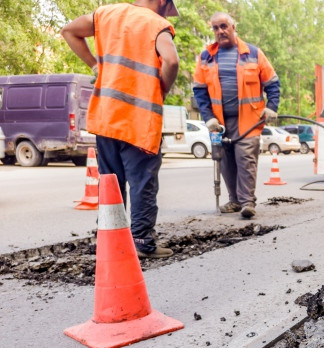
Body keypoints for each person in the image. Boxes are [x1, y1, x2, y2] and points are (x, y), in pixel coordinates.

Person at [61, 0, 180, 258]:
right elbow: (171, 60)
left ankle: (110, 242)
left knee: (110, 183)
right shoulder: (157, 24)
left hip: (107, 116)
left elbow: (69, 31)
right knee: (142, 183)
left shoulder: (106, 14)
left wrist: (95, 65)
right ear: (161, 1)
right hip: (140, 119)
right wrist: (163, 89)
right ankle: (141, 242)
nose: (165, 12)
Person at [193, 12, 280, 219]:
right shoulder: (206, 57)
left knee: (245, 160)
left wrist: (272, 107)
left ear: (233, 27)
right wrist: (208, 118)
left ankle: (247, 202)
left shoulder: (253, 53)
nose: (220, 31)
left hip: (249, 120)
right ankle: (234, 200)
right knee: (225, 162)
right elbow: (199, 91)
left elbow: (272, 83)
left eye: (224, 26)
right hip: (220, 123)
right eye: (215, 28)